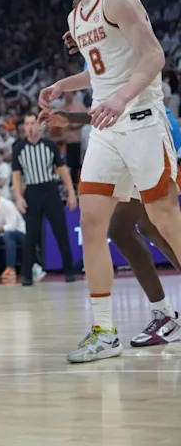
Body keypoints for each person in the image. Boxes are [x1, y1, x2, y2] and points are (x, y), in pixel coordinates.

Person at [42, 0, 181, 363]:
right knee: (94, 222)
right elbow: (101, 70)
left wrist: (122, 97)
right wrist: (67, 83)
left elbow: (154, 56)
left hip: (140, 120)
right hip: (106, 129)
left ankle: (162, 316)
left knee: (163, 219)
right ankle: (104, 330)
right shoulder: (75, 17)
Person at [39, 106, 181, 347]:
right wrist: (73, 117)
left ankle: (165, 314)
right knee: (137, 227)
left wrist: (73, 116)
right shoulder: (94, 71)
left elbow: (121, 101)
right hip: (129, 133)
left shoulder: (110, 69)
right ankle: (164, 314)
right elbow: (108, 102)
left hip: (145, 133)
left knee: (143, 225)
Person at [11, 113, 78, 286]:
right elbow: (16, 176)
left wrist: (71, 192)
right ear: (24, 127)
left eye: (33, 122)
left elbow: (62, 169)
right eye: (27, 123)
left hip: (50, 189)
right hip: (32, 191)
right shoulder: (18, 148)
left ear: (38, 125)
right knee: (31, 235)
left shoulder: (49, 145)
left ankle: (69, 271)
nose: (31, 126)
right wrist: (18, 197)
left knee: (61, 231)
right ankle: (26, 275)